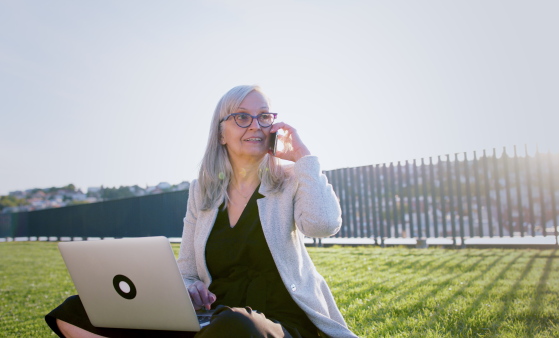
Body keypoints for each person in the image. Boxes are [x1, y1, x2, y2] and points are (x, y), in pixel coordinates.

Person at [45, 85, 356, 337]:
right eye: (242, 117)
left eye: (264, 117)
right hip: (211, 321)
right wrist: (191, 288)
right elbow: (188, 270)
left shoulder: (290, 181)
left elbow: (323, 224)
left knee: (237, 326)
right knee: (75, 311)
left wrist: (303, 156)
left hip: (273, 325)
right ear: (221, 133)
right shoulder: (202, 192)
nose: (256, 125)